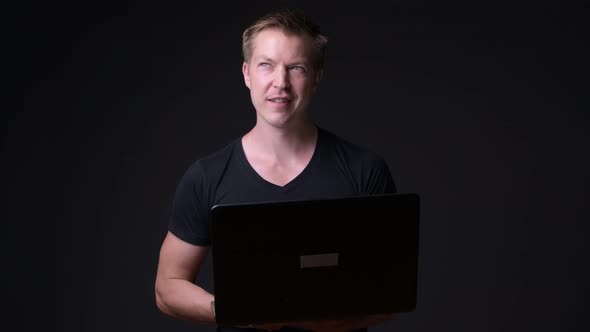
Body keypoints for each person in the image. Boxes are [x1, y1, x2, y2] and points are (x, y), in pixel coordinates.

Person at [155, 8, 397, 332]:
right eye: (266, 65)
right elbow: (167, 287)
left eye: (295, 67)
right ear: (247, 73)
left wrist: (331, 321)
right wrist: (233, 310)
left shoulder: (364, 170)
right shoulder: (206, 177)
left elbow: (393, 290)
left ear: (316, 76)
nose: (279, 82)